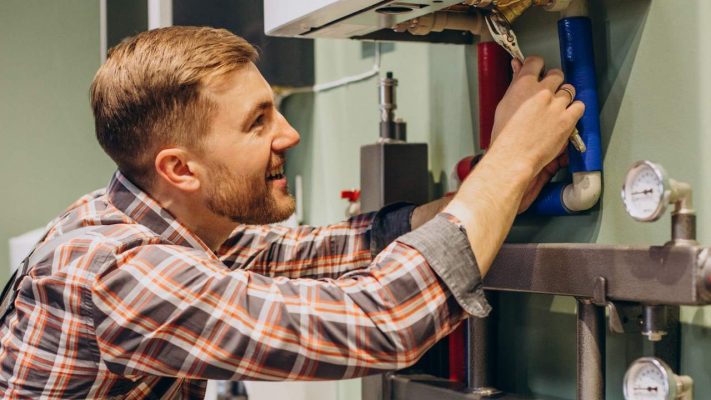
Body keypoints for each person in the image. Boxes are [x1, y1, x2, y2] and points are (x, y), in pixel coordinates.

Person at [0, 26, 582, 398]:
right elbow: (382, 323)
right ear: (180, 169)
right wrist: (509, 160)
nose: (290, 133)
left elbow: (309, 253)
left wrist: (481, 192)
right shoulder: (118, 272)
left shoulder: (160, 222)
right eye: (258, 122)